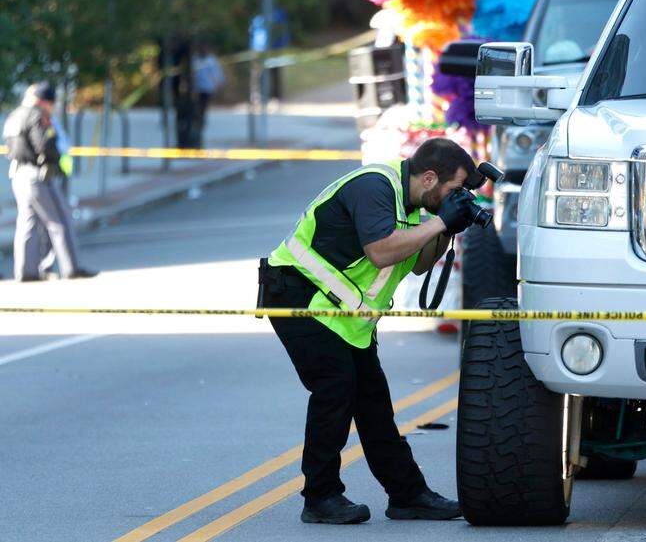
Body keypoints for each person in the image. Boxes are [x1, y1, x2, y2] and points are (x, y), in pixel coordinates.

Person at [259, 137, 481, 524]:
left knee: (373, 403)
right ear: (429, 177)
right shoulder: (375, 187)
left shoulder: (411, 203)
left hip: (341, 313)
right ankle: (320, 497)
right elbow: (381, 251)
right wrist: (442, 221)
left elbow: (418, 264)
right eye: (454, 190)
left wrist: (446, 228)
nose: (456, 196)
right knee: (336, 389)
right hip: (299, 296)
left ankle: (408, 495)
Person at [2, 83, 96, 281]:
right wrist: (56, 162)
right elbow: (44, 144)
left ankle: (26, 271)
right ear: (44, 101)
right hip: (38, 175)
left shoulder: (14, 116)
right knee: (59, 220)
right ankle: (71, 268)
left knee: (27, 223)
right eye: (51, 103)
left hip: (18, 174)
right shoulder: (37, 116)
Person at [191, 45, 225, 148]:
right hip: (196, 89)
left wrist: (216, 84)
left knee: (202, 108)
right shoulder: (195, 59)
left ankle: (200, 125)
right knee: (196, 109)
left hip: (205, 88)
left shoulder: (211, 60)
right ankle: (197, 125)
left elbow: (217, 75)